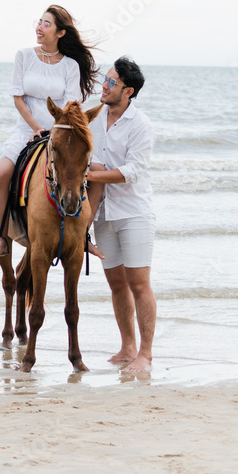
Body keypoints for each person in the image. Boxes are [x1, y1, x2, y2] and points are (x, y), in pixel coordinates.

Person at [0, 4, 99, 258]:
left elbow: (70, 108)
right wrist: (36, 128)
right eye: (39, 21)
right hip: (24, 131)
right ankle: (1, 238)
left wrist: (52, 132)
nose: (40, 27)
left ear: (60, 33)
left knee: (82, 173)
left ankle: (82, 234)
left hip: (57, 134)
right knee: (2, 172)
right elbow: (18, 98)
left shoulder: (70, 66)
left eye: (46, 24)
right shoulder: (24, 56)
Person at [85, 56, 156, 373]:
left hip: (134, 213)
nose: (104, 85)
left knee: (139, 284)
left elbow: (133, 171)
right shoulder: (94, 119)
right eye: (105, 79)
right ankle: (127, 347)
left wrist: (92, 177)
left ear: (128, 91)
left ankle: (145, 354)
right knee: (116, 284)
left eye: (111, 82)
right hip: (102, 214)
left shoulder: (141, 124)